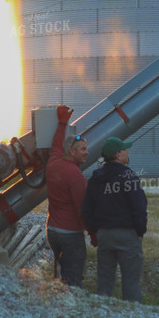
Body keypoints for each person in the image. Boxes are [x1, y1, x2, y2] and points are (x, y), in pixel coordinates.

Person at [82, 136, 147, 302]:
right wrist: (140, 232)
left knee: (104, 281)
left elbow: (87, 209)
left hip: (104, 235)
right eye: (125, 149)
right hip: (126, 234)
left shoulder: (95, 178)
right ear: (118, 154)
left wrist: (95, 230)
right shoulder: (128, 176)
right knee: (131, 282)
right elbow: (139, 207)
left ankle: (102, 316)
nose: (127, 152)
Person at [45, 105, 89, 287]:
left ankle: (57, 304)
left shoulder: (53, 162)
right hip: (70, 234)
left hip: (53, 231)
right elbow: (82, 210)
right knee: (72, 278)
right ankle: (73, 307)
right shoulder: (76, 176)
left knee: (59, 274)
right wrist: (93, 234)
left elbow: (57, 144)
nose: (87, 152)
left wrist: (62, 123)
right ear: (71, 152)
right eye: (83, 149)